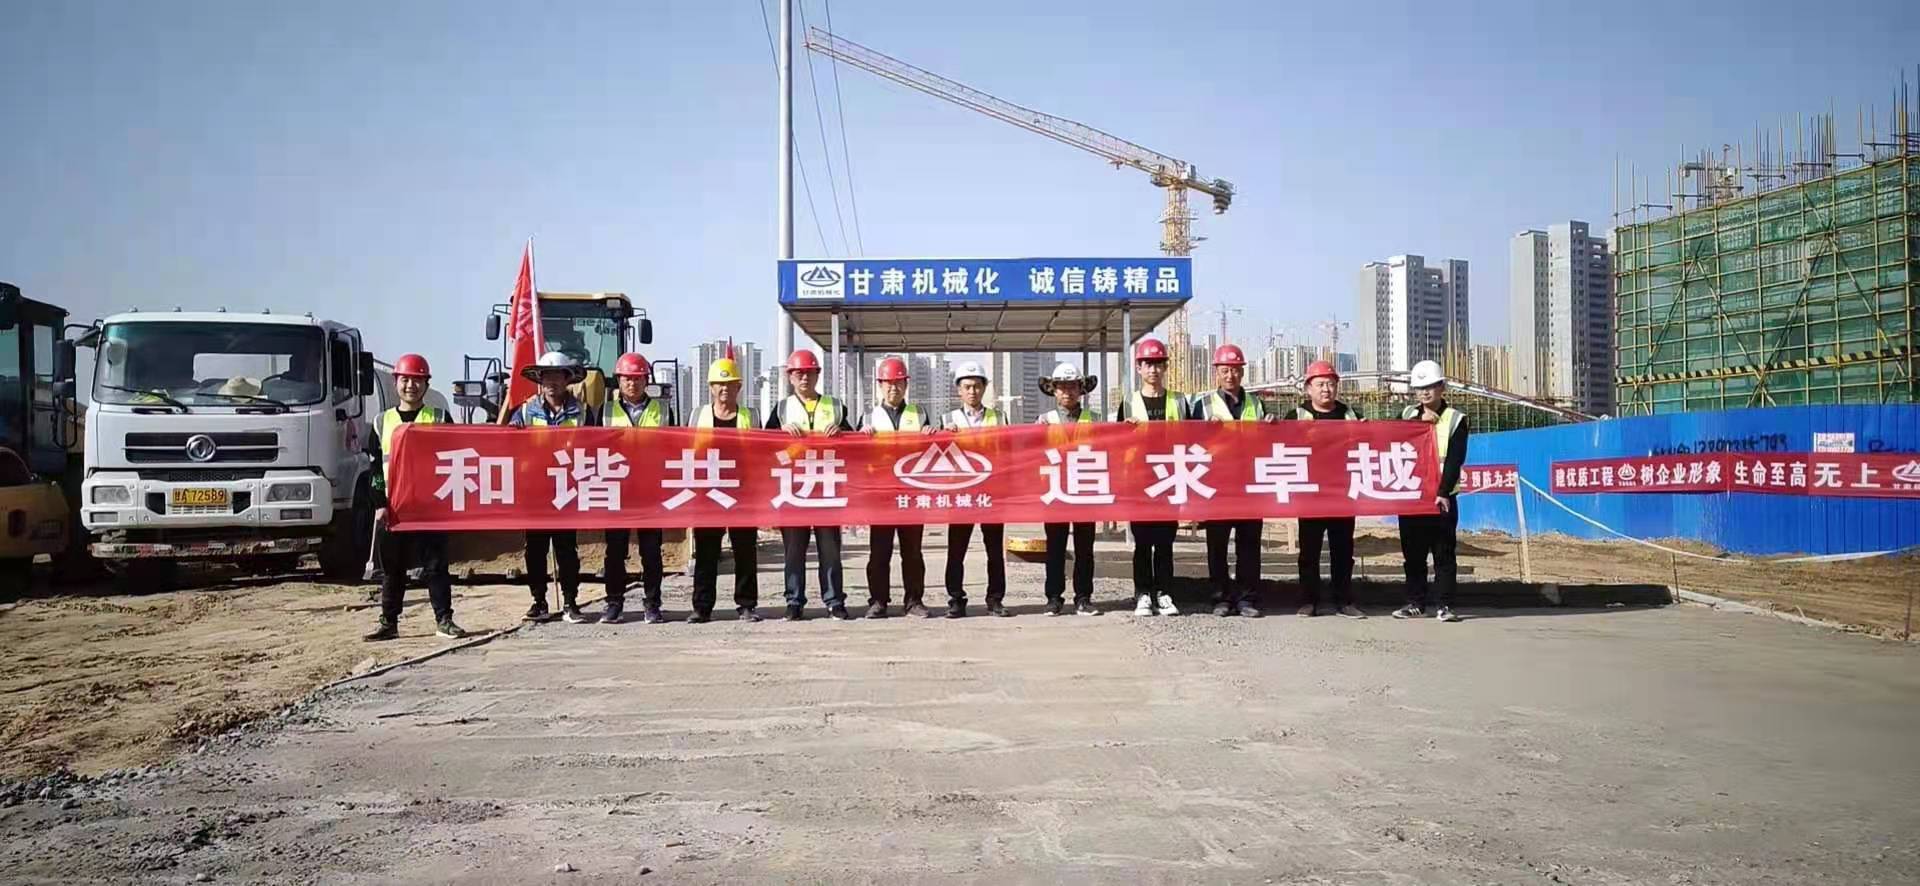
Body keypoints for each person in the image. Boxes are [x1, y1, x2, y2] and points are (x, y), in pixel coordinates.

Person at [363, 354, 464, 642]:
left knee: (436, 567)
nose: (411, 386)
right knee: (393, 569)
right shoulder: (382, 422)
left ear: (426, 384)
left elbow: (457, 456)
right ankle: (389, 622)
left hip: (430, 507)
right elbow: (375, 469)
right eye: (405, 380)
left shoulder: (439, 418)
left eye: (417, 380)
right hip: (395, 508)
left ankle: (444, 620)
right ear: (396, 382)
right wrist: (379, 504)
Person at [507, 350, 596, 623]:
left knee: (566, 549)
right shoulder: (524, 412)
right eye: (546, 376)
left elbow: (595, 447)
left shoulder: (583, 412)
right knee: (535, 550)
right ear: (539, 380)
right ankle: (539, 601)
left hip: (567, 490)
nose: (551, 382)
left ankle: (570, 601)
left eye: (557, 376)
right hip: (535, 491)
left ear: (568, 379)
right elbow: (507, 445)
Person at [766, 348, 853, 621]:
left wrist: (842, 433)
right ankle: (794, 601)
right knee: (794, 551)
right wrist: (781, 434)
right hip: (794, 490)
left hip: (826, 489)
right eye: (799, 373)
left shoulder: (835, 407)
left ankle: (834, 601)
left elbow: (855, 445)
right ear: (790, 376)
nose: (804, 377)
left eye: (810, 372)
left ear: (818, 375)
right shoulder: (781, 410)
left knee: (830, 551)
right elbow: (765, 447)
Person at [1190, 343, 1267, 618]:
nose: (1230, 375)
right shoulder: (1202, 405)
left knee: (1249, 545)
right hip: (1216, 485)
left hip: (1249, 485)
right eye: (1225, 370)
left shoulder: (1256, 404)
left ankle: (1247, 598)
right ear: (1217, 373)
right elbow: (1189, 442)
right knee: (1217, 546)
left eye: (1235, 370)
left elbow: (1268, 441)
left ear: (1242, 372)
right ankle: (1220, 597)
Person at [858, 356, 939, 618]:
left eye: (899, 383)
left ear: (906, 384)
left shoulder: (920, 414)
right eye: (888, 383)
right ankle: (878, 601)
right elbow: (855, 454)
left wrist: (931, 434)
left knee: (912, 552)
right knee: (879, 552)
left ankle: (914, 601)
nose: (894, 388)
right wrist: (861, 436)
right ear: (880, 385)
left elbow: (933, 450)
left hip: (911, 494)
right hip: (881, 495)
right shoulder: (868, 417)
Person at [1286, 360, 1366, 619]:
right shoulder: (1296, 416)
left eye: (1331, 384)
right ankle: (1308, 601)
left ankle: (1344, 601)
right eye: (1320, 384)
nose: (1326, 389)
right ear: (1308, 388)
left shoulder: (1350, 415)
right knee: (1309, 551)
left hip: (1342, 492)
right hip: (1310, 493)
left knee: (1343, 550)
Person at [1395, 360, 1469, 623]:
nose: (1425, 392)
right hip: (1412, 496)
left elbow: (1455, 459)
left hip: (1441, 497)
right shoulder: (1407, 415)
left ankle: (1444, 605)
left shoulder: (1456, 419)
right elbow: (1391, 440)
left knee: (1443, 553)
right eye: (1419, 388)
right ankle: (1415, 602)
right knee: (1413, 554)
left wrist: (1443, 491)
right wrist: (1418, 422)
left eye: (1430, 386)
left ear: (1442, 387)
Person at [1113, 339, 1183, 618]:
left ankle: (1164, 593)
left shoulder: (1179, 401)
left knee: (1165, 541)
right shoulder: (1129, 402)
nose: (1153, 369)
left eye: (1158, 364)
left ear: (1165, 367)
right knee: (1142, 542)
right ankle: (1142, 593)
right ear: (1139, 368)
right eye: (1148, 364)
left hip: (1170, 478)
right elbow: (1117, 442)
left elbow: (1194, 436)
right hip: (1139, 481)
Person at [691, 357, 762, 624]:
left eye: (730, 384)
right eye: (719, 384)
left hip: (743, 492)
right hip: (707, 492)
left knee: (745, 550)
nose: (724, 389)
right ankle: (702, 607)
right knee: (706, 552)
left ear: (739, 387)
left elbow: (764, 451)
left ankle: (746, 604)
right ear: (710, 387)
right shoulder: (697, 416)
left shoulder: (751, 416)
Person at [602, 352, 671, 625]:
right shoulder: (605, 411)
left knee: (651, 551)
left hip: (649, 490)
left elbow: (672, 445)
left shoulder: (662, 410)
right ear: (618, 381)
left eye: (638, 378)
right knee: (615, 551)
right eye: (627, 379)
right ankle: (613, 603)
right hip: (616, 490)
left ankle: (652, 604)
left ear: (646, 381)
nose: (632, 384)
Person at [942, 361, 1007, 618]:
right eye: (967, 387)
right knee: (956, 551)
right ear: (958, 390)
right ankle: (956, 599)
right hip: (961, 494)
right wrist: (942, 434)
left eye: (977, 386)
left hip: (991, 492)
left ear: (984, 388)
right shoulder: (947, 420)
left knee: (994, 551)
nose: (972, 391)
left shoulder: (999, 417)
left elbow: (1010, 450)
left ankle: (995, 599)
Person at [1038, 362, 1100, 617]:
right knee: (1055, 547)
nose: (1067, 392)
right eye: (1062, 387)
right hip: (1055, 491)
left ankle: (1083, 597)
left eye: (1072, 386)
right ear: (1054, 390)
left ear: (1081, 389)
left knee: (1085, 548)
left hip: (1086, 490)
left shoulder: (1094, 420)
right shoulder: (1044, 421)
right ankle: (1054, 598)